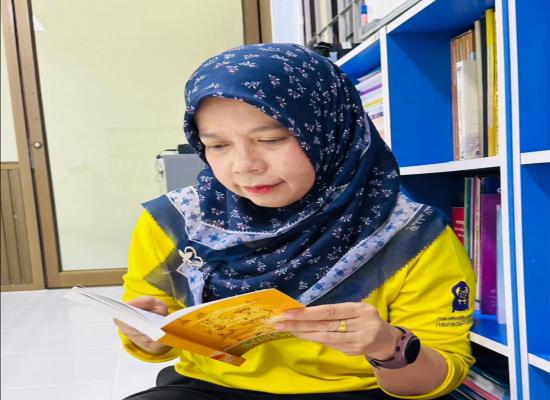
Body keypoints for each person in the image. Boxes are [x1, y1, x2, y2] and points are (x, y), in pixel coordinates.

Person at [116, 43, 475, 400]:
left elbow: (434, 381)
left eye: (271, 139)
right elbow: (159, 339)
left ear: (329, 131)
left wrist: (388, 346)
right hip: (212, 389)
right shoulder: (175, 221)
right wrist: (147, 336)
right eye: (217, 145)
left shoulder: (412, 235)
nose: (245, 165)